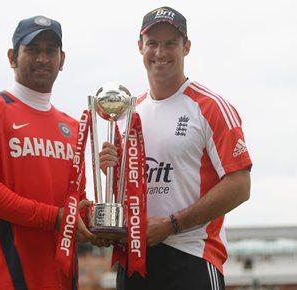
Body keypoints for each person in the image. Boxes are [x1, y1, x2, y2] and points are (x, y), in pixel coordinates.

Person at [100, 6, 252, 290]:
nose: (161, 52)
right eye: (153, 43)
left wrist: (172, 224)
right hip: (133, 259)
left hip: (191, 256)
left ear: (187, 47)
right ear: (140, 47)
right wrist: (111, 173)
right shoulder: (126, 113)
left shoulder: (210, 107)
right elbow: (125, 193)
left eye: (171, 43)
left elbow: (241, 184)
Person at [0, 15, 94, 290]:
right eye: (32, 50)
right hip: (3, 278)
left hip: (60, 279)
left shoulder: (72, 126)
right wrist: (54, 217)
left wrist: (98, 221)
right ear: (12, 57)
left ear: (62, 59)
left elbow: (75, 201)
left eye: (50, 51)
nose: (43, 59)